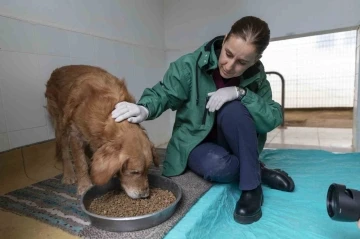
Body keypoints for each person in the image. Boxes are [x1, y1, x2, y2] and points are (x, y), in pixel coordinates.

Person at [111, 16, 295, 224]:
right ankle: (256, 169)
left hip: (235, 141)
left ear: (256, 59)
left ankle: (252, 189)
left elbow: (273, 116)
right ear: (225, 39)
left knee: (234, 108)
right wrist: (145, 107)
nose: (229, 65)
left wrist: (241, 92)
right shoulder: (189, 65)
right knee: (218, 167)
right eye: (228, 54)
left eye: (242, 62)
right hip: (198, 143)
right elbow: (165, 92)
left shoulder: (257, 78)